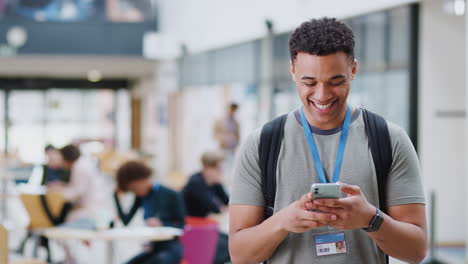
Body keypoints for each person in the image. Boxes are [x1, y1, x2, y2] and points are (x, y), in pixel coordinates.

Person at [229, 17, 427, 264]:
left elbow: (416, 250)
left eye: (336, 81)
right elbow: (239, 254)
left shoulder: (389, 139)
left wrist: (371, 219)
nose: (322, 95)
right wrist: (282, 221)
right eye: (309, 82)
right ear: (292, 70)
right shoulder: (261, 145)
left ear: (353, 70)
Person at [116, 161, 185, 264]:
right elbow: (126, 221)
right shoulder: (141, 197)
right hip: (153, 248)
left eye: (135, 188)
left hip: (170, 249)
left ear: (142, 180)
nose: (135, 192)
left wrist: (162, 224)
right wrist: (115, 197)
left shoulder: (171, 194)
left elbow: (182, 225)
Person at [182, 151, 230, 264]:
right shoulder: (195, 182)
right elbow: (215, 208)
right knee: (225, 248)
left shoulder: (214, 182)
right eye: (218, 168)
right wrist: (221, 208)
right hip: (190, 228)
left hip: (203, 226)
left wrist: (219, 182)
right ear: (208, 168)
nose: (221, 172)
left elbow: (228, 202)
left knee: (231, 243)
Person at [213, 102, 240, 184]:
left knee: (231, 166)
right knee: (222, 165)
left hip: (232, 148)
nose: (233, 112)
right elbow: (215, 134)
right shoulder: (220, 120)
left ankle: (228, 183)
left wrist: (236, 140)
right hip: (223, 147)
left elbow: (238, 134)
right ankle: (221, 182)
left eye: (235, 110)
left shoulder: (236, 122)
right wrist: (224, 138)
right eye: (232, 110)